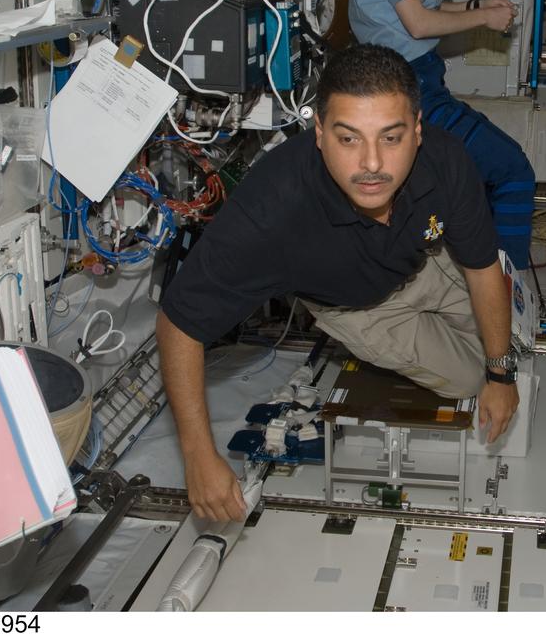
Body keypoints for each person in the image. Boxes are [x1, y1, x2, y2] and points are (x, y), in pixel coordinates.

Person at [157, 44, 522, 522]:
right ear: (320, 133)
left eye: (391, 138)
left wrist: (503, 373)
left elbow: (481, 268)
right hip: (359, 307)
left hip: (425, 262)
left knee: (507, 343)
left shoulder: (447, 161)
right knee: (468, 381)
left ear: (417, 132)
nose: (372, 164)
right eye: (349, 139)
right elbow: (178, 323)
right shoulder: (272, 210)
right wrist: (198, 456)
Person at [349, 0, 536, 269]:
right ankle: (507, 293)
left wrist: (476, 4)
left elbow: (425, 7)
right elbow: (419, 24)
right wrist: (485, 19)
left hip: (419, 81)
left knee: (476, 179)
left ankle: (484, 277)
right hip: (407, 90)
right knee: (512, 171)